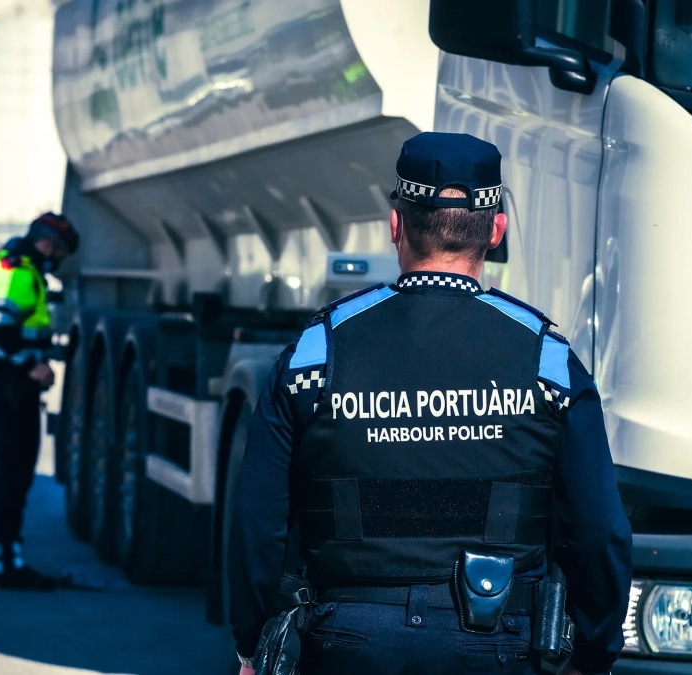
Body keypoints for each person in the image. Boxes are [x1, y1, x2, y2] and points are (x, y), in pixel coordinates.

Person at [228, 133, 632, 675]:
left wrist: (253, 643)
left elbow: (259, 520)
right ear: (495, 229)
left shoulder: (314, 352)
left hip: (347, 640)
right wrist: (594, 652)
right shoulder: (548, 360)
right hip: (502, 645)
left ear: (395, 224)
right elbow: (600, 530)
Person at [0, 212, 79, 590]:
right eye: (59, 254)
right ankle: (9, 565)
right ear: (48, 245)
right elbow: (2, 328)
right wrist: (31, 365)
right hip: (12, 390)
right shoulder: (22, 274)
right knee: (12, 477)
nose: (57, 262)